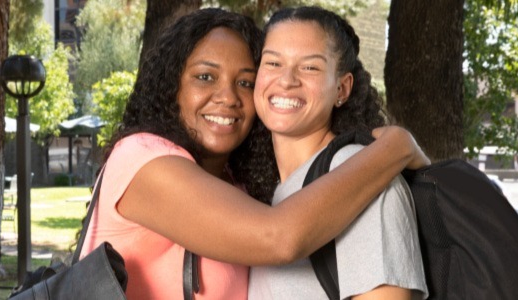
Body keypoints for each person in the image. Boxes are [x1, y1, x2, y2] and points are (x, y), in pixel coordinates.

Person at [79, 8, 429, 300]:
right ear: (172, 86)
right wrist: (396, 146)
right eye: (205, 77)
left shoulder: (247, 190)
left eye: (245, 81)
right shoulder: (142, 158)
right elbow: (278, 237)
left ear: (342, 88)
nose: (227, 97)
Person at [248, 6, 428, 299]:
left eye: (310, 67)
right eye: (273, 63)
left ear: (342, 89)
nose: (286, 79)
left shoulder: (363, 174)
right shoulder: (270, 190)